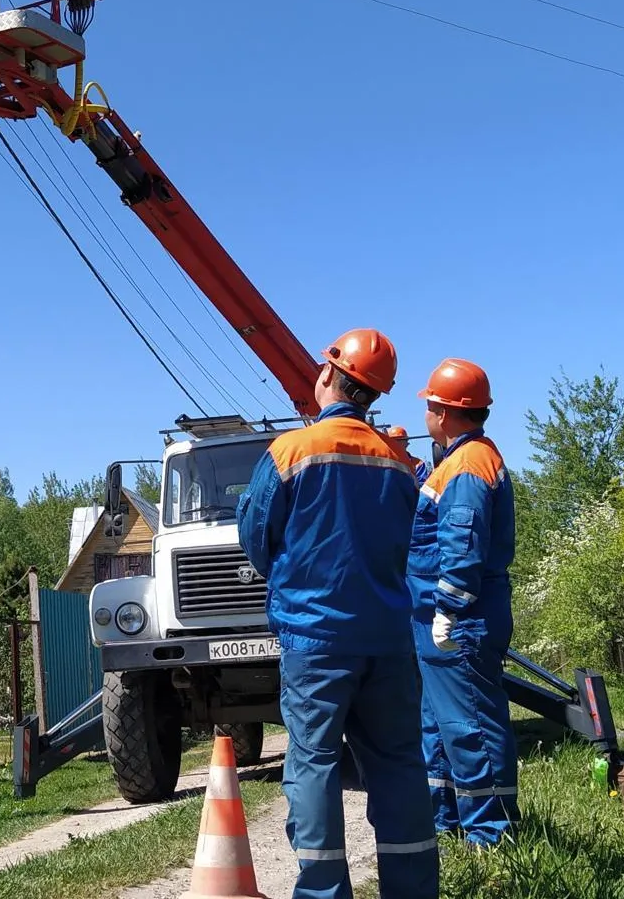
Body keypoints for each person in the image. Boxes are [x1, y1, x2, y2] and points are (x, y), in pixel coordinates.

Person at [236, 330, 438, 899]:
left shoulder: (291, 452)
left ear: (328, 375)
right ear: (376, 394)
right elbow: (416, 542)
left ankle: (323, 892)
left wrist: (293, 577)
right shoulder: (399, 463)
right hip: (389, 640)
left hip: (315, 639)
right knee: (400, 764)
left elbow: (255, 536)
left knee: (315, 765)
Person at [408, 358, 518, 846]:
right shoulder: (458, 462)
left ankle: (492, 836)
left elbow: (463, 540)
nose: (426, 413)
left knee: (469, 724)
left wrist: (449, 608)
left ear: (445, 412)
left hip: (461, 619)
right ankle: (447, 822)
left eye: (430, 405)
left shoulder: (469, 466)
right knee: (439, 726)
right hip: (445, 617)